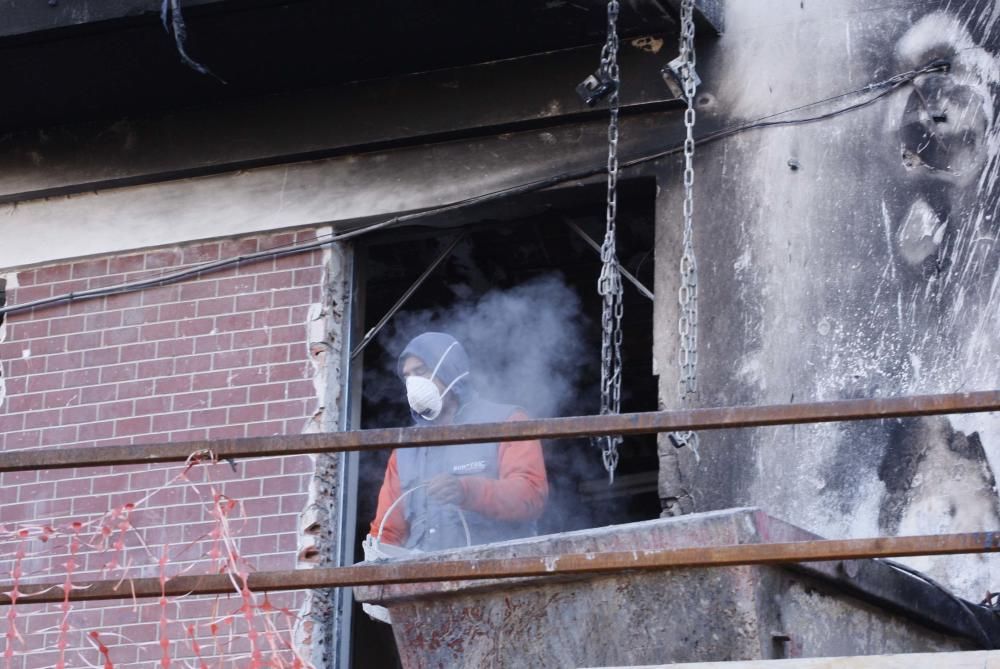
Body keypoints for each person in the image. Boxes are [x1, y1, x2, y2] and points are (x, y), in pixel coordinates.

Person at [368, 332, 548, 552]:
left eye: (421, 371)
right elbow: (387, 530)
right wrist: (375, 565)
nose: (412, 383)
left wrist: (467, 491)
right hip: (426, 580)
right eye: (407, 376)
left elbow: (530, 495)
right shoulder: (405, 449)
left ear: (448, 368)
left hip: (497, 574)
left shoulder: (507, 421)